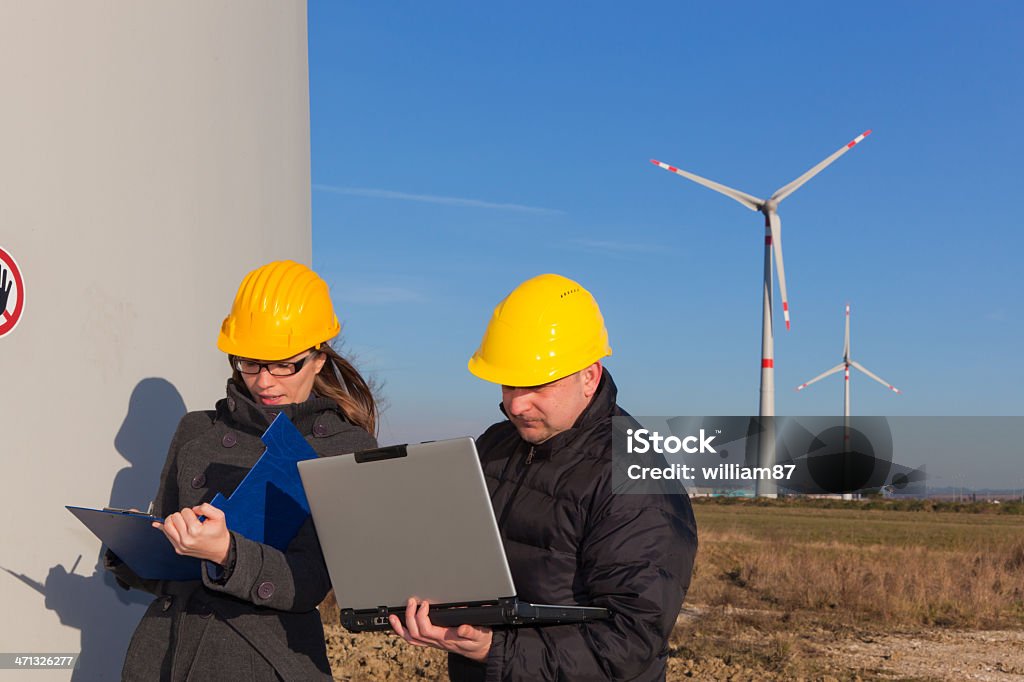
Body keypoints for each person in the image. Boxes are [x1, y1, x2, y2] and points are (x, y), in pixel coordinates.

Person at [390, 273, 698, 681]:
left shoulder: (635, 480)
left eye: (536, 384)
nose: (517, 404)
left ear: (589, 376)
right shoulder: (496, 446)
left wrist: (494, 650)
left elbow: (628, 642)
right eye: (508, 383)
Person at [105, 260, 378, 681]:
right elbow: (171, 575)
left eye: (284, 365)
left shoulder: (344, 448)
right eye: (249, 363)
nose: (264, 381)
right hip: (163, 656)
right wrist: (132, 551)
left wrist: (227, 554)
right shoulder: (196, 431)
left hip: (264, 662)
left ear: (319, 359)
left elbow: (310, 583)